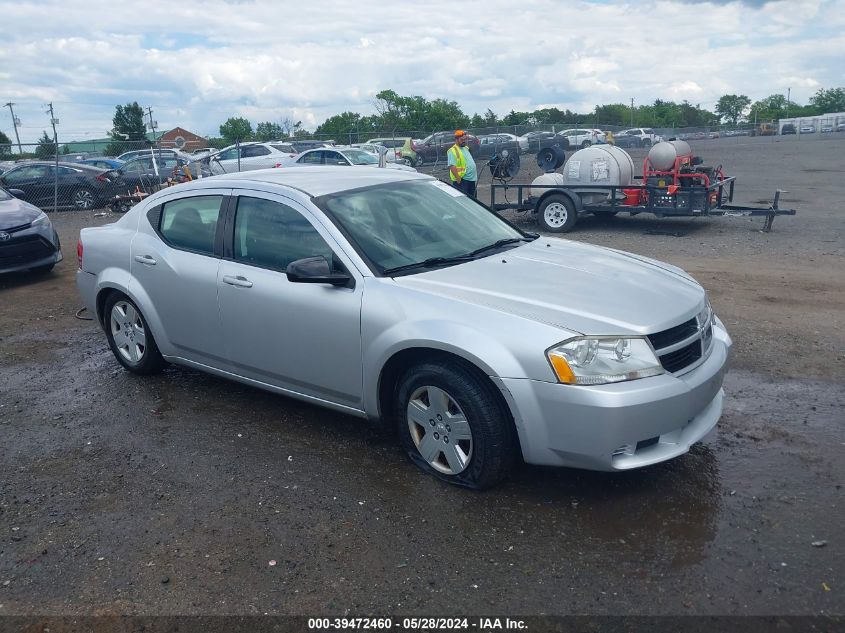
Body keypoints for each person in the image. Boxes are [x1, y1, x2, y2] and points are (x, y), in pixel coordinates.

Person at [447, 130, 477, 198]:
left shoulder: (466, 148)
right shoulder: (452, 150)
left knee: (474, 201)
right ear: (456, 139)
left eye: (465, 139)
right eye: (462, 139)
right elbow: (452, 166)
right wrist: (458, 179)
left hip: (471, 180)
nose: (464, 141)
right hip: (462, 181)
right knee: (465, 201)